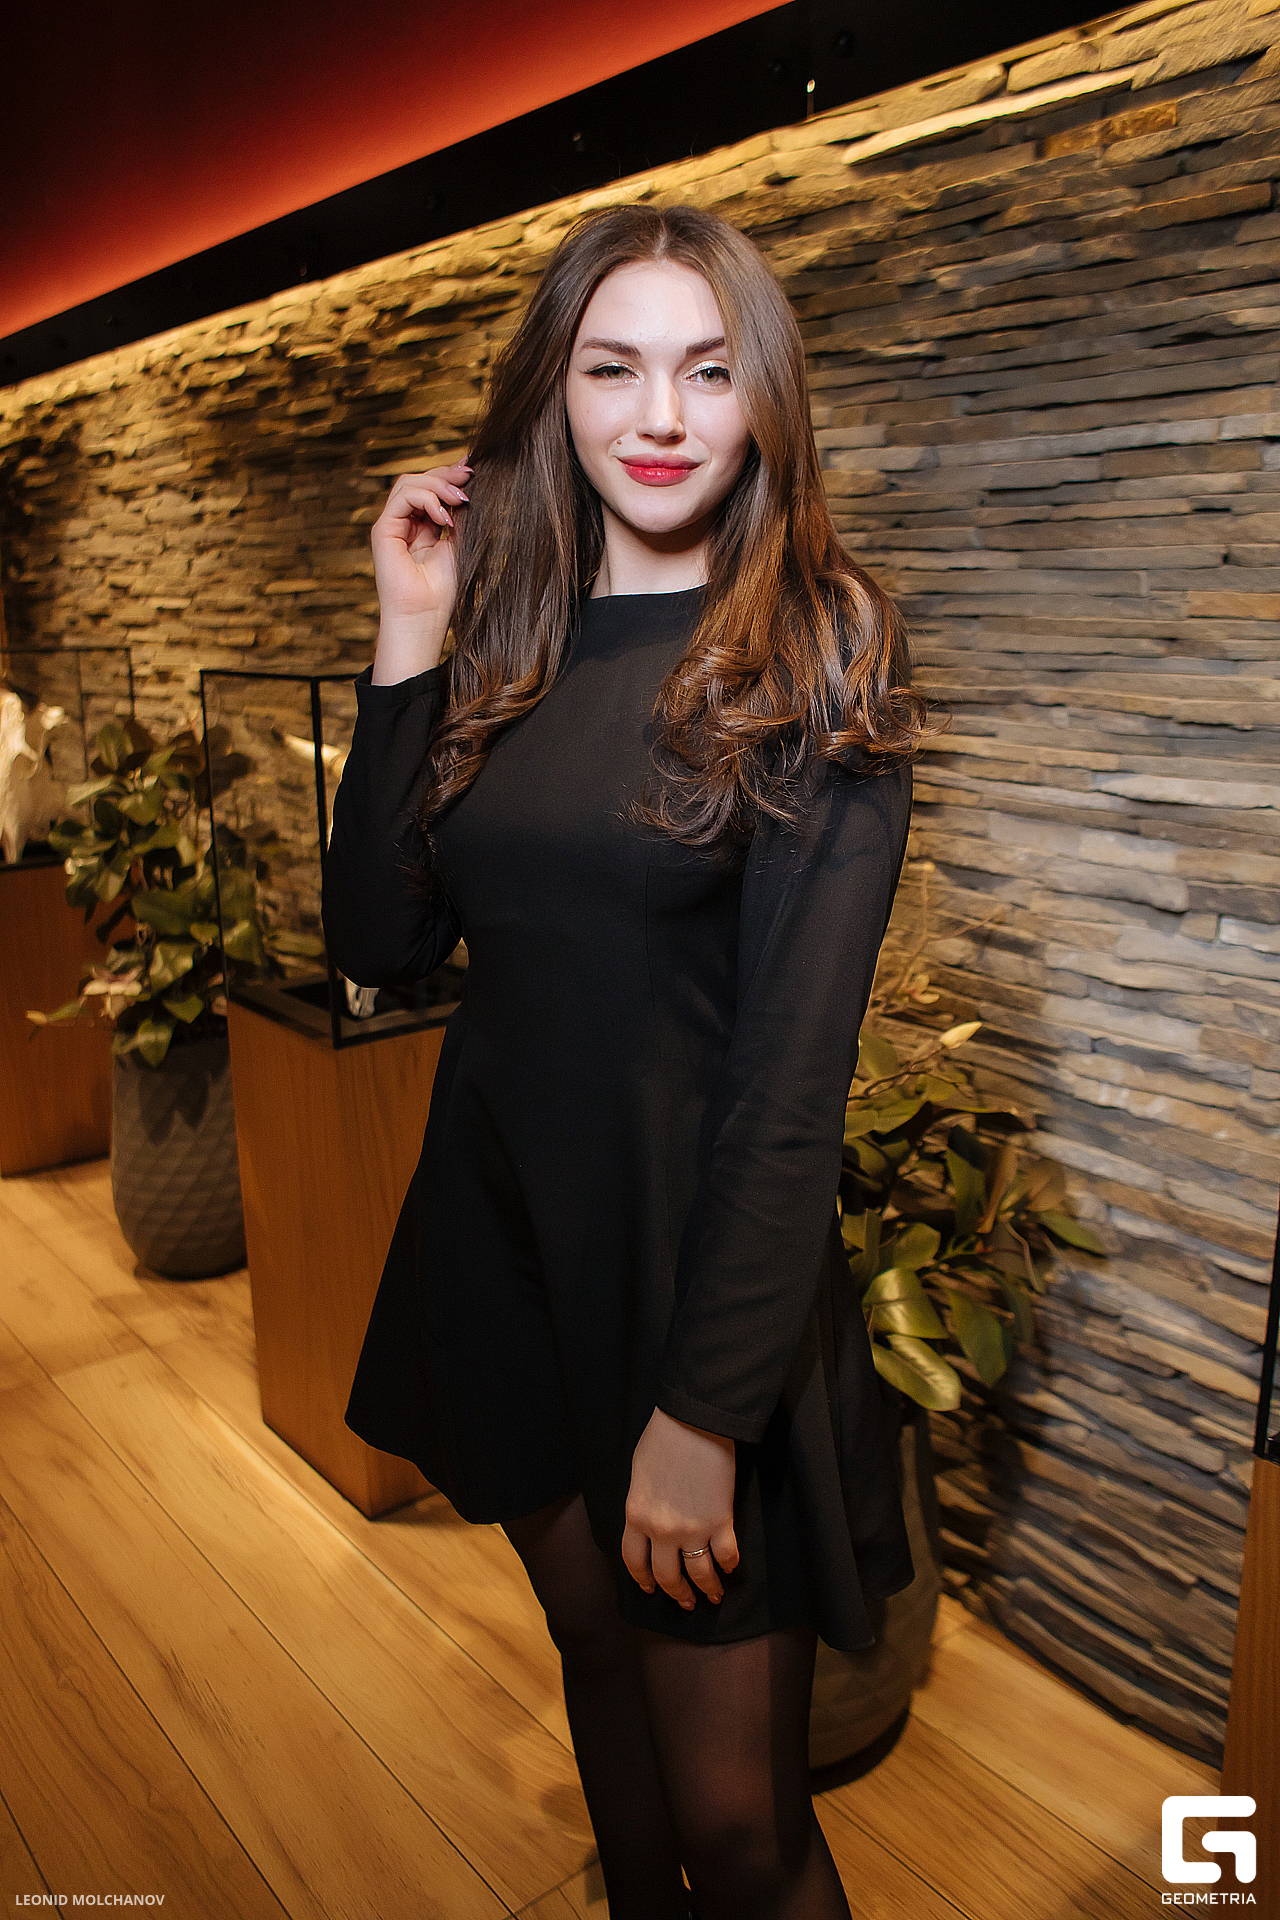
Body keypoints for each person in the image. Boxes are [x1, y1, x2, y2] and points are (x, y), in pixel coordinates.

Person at [322, 202, 927, 1920]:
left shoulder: (816, 645)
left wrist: (704, 1417)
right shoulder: (509, 636)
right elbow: (380, 943)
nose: (660, 417)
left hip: (691, 1280)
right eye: (614, 369)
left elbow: (792, 1083)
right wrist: (407, 636)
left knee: (740, 1829)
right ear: (554, 393)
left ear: (765, 398)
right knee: (600, 1674)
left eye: (708, 372)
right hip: (503, 1247)